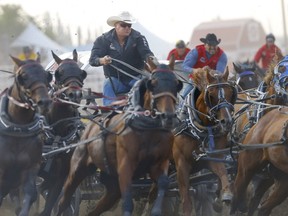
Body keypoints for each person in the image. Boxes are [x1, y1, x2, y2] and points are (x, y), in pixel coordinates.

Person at [89, 11, 154, 106]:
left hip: (136, 78)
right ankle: (110, 110)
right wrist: (102, 60)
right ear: (116, 26)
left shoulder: (139, 38)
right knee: (108, 84)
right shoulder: (103, 40)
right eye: (124, 25)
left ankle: (142, 109)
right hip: (115, 80)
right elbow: (92, 59)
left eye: (129, 25)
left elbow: (146, 54)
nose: (127, 28)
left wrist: (152, 60)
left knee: (145, 87)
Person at [180, 33, 228, 99]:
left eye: (214, 45)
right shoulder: (196, 52)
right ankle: (181, 107)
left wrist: (210, 71)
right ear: (205, 45)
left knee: (226, 96)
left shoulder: (222, 55)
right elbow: (184, 66)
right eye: (210, 45)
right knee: (184, 96)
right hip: (196, 80)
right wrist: (195, 70)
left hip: (213, 82)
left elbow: (220, 72)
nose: (212, 47)